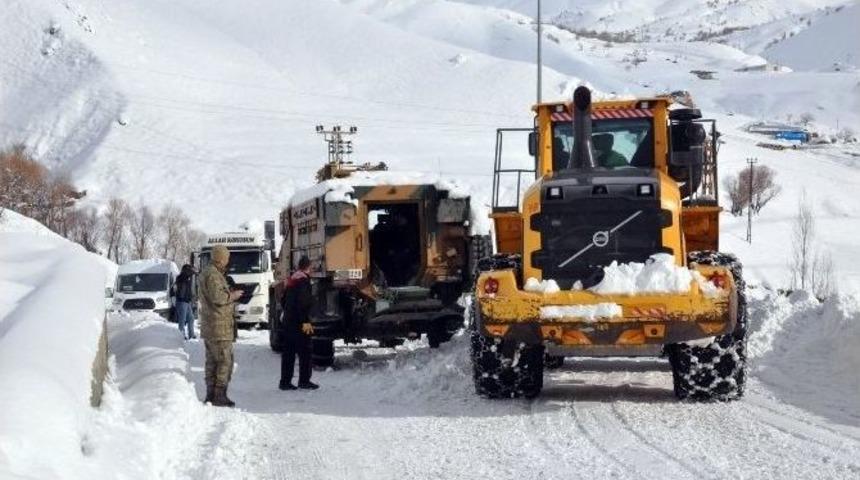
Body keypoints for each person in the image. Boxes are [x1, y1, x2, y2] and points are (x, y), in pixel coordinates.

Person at [198, 245, 243, 406]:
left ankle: (211, 394)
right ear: (220, 258)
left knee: (212, 362)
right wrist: (234, 295)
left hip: (213, 326)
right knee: (224, 361)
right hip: (219, 327)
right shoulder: (213, 275)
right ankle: (218, 395)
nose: (228, 260)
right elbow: (218, 297)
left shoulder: (211, 273)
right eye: (227, 257)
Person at [279, 256, 319, 391]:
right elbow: (303, 303)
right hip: (299, 323)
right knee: (305, 351)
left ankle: (285, 382)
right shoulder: (303, 281)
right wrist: (305, 321)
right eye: (312, 268)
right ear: (308, 267)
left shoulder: (292, 280)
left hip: (289, 322)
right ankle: (304, 381)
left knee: (289, 353)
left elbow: (283, 301)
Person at [173, 264, 196, 340]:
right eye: (189, 271)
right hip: (181, 301)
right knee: (182, 320)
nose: (191, 273)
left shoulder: (187, 278)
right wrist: (190, 272)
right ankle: (181, 335)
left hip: (187, 301)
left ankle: (191, 334)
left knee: (191, 318)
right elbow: (180, 285)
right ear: (185, 270)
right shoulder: (181, 278)